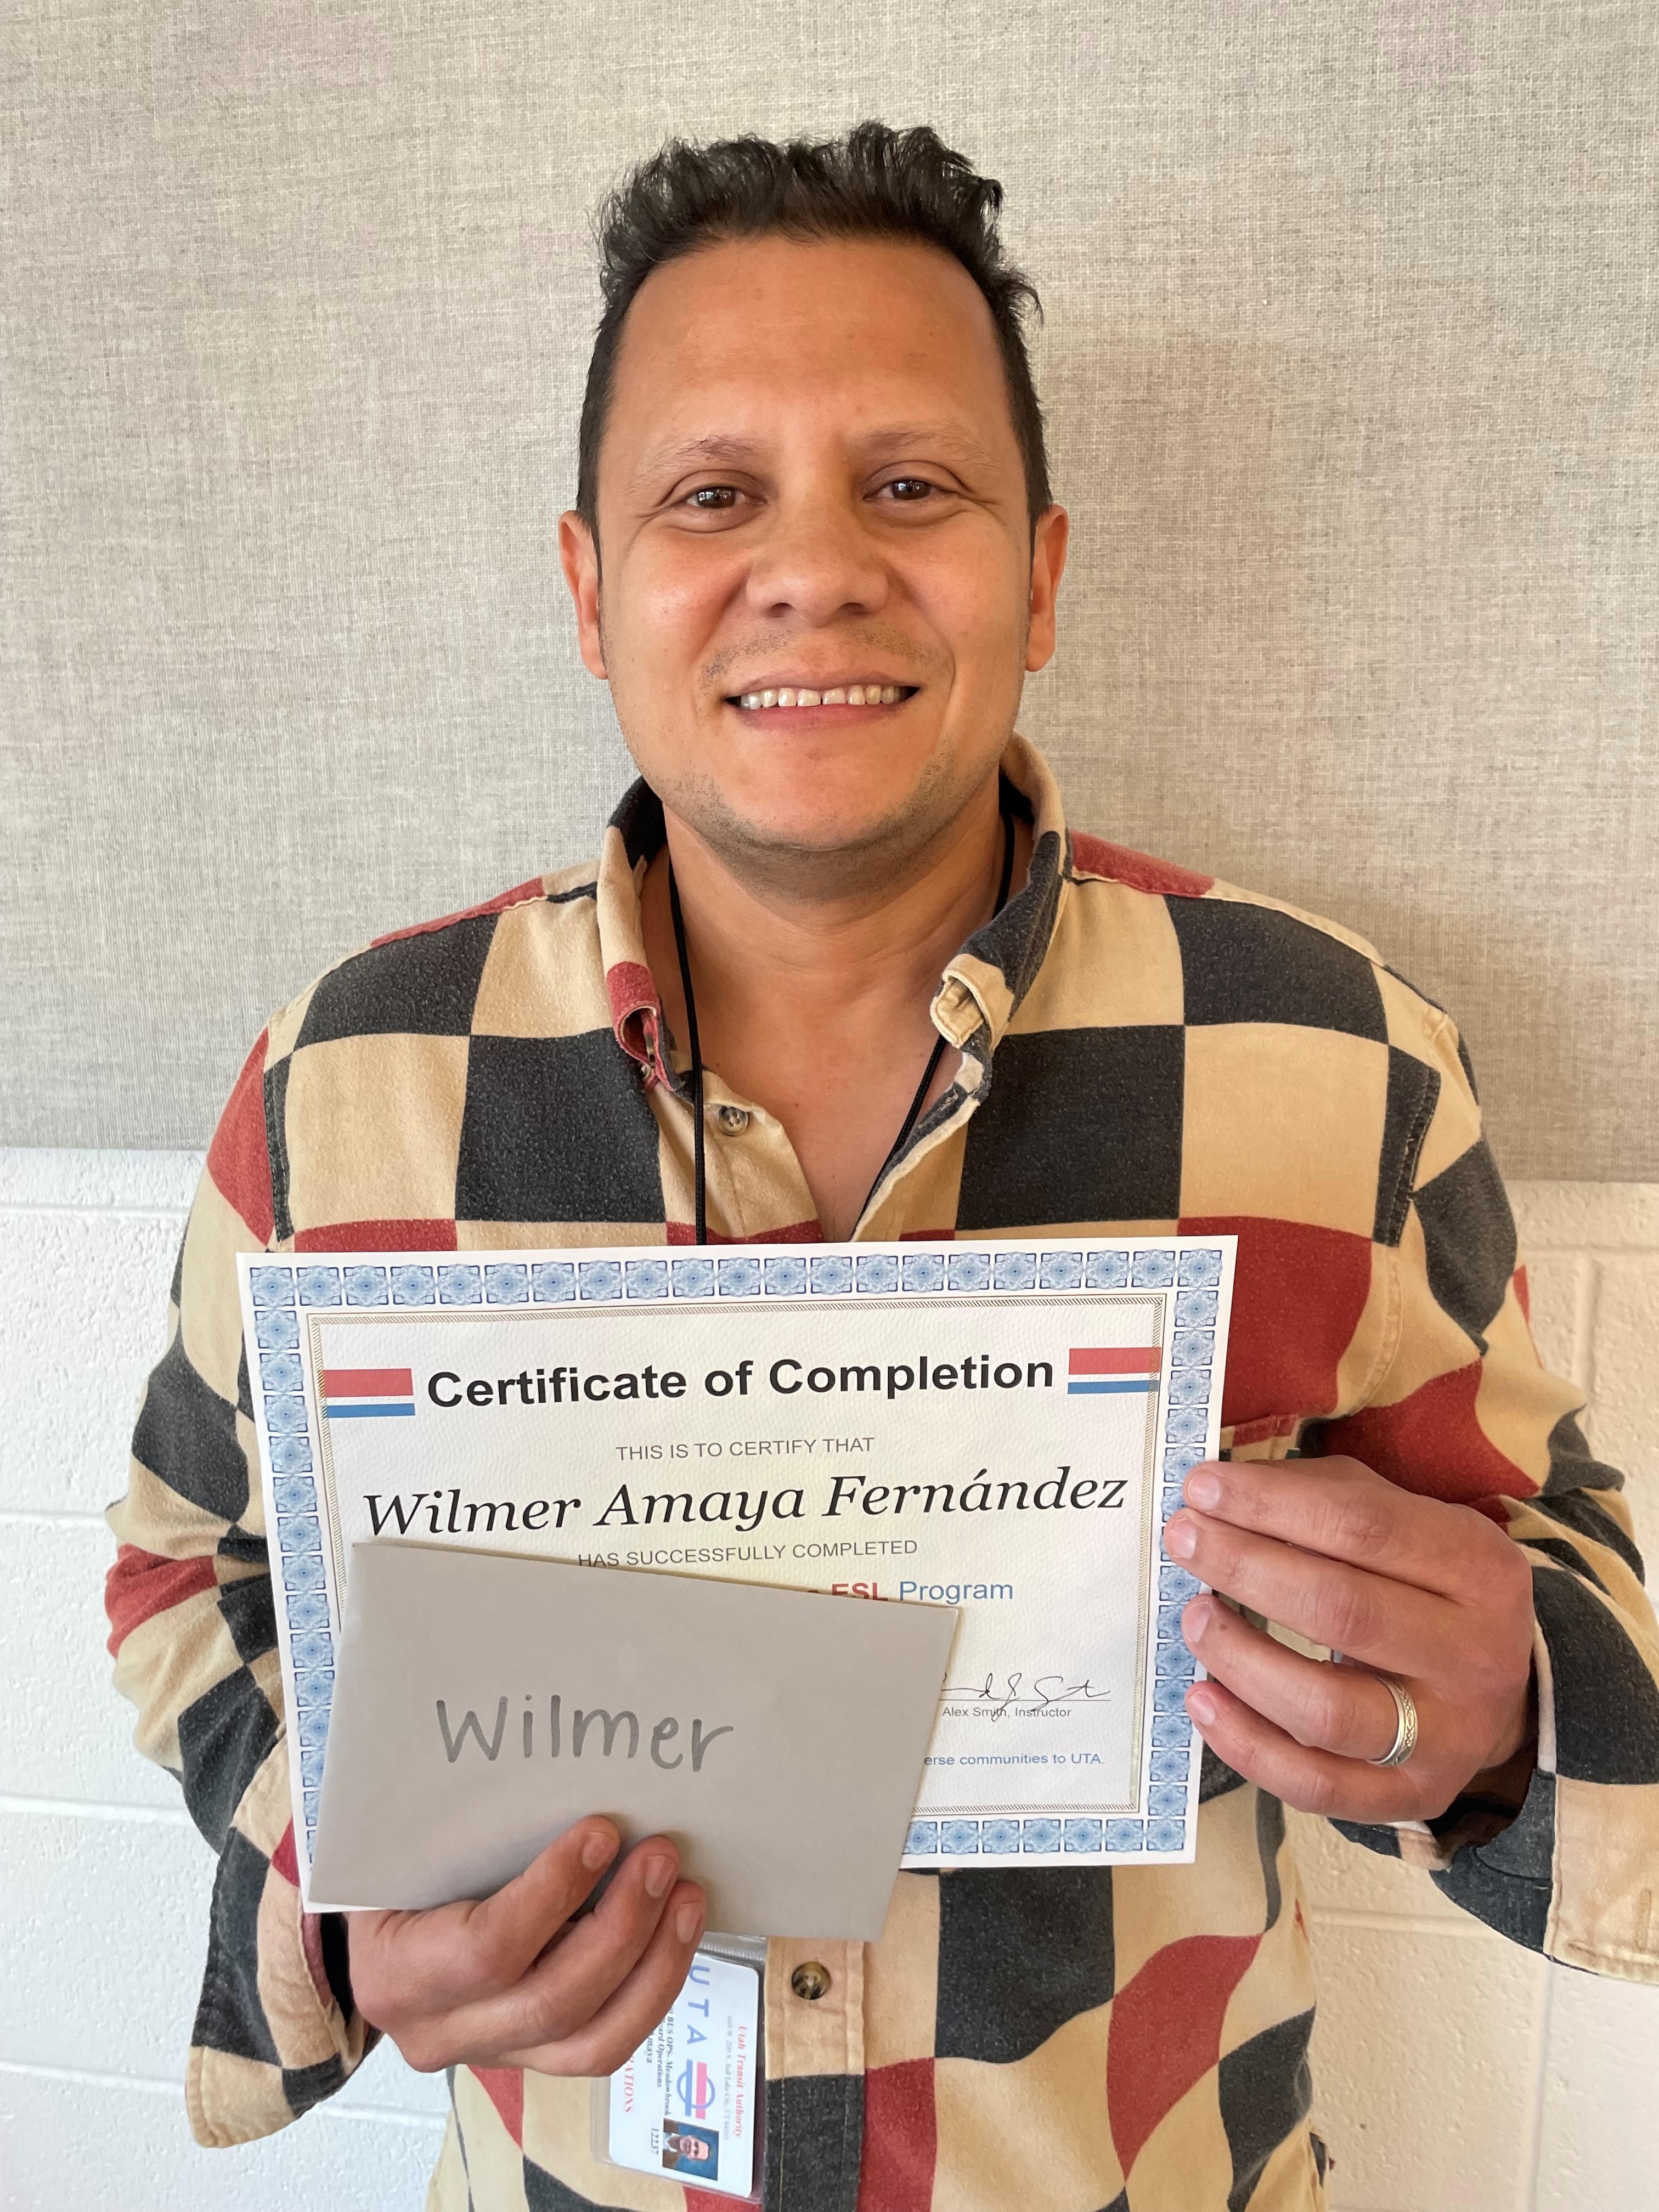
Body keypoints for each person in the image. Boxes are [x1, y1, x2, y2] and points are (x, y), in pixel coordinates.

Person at [106, 124, 1659, 2211]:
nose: (815, 564)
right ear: (589, 587)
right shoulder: (346, 1085)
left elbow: (1556, 1576)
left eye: (909, 486)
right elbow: (189, 1579)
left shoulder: (1338, 1056)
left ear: (1039, 573)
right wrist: (340, 1902)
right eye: (712, 494)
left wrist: (1497, 1717)